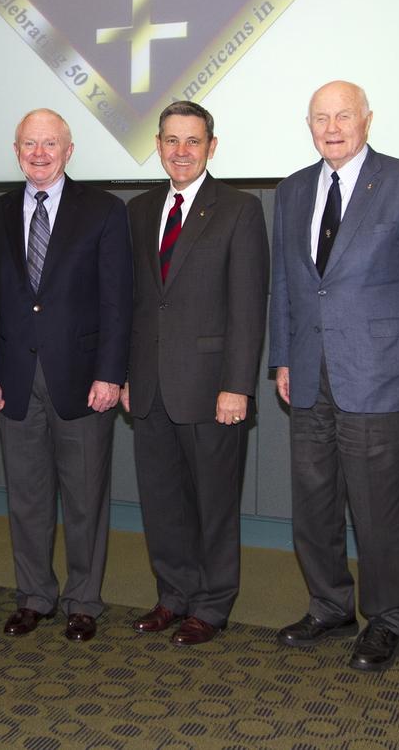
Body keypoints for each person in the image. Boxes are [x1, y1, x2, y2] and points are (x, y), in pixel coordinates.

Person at [268, 80, 399, 670]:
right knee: (313, 503)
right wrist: (284, 358)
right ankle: (329, 604)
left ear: (368, 119)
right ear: (309, 125)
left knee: (378, 510)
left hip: (380, 373)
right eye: (321, 118)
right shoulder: (292, 190)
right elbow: (289, 284)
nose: (333, 127)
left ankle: (387, 619)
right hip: (310, 375)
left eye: (344, 115)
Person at [0, 108, 132, 642]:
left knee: (86, 496)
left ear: (69, 151)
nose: (38, 153)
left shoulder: (105, 211)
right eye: (28, 144)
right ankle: (35, 596)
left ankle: (83, 600)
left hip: (85, 378)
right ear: (16, 150)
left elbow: (118, 301)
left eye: (49, 144)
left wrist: (111, 373)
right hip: (15, 379)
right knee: (27, 497)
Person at [122, 101, 269, 645]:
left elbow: (249, 306)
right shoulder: (137, 210)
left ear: (211, 146)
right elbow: (136, 303)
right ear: (157, 146)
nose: (181, 151)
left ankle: (211, 603)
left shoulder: (238, 209)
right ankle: (173, 595)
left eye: (193, 141)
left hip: (212, 388)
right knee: (161, 500)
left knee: (213, 502)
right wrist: (127, 374)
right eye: (171, 140)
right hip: (150, 384)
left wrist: (238, 385)